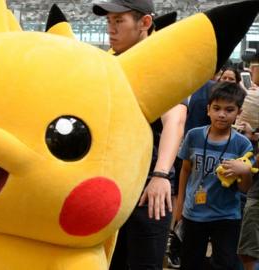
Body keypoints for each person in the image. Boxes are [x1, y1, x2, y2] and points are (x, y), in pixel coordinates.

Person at [93, 1, 188, 269]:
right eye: (109, 21)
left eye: (119, 21)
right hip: (106, 188)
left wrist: (160, 175)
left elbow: (175, 120)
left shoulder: (162, 66)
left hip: (147, 193)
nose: (111, 29)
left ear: (145, 23)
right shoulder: (107, 64)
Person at [175, 81, 254, 270]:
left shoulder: (242, 145)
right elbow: (185, 170)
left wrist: (245, 171)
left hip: (226, 216)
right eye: (216, 108)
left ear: (238, 113)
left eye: (229, 110)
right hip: (194, 213)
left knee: (225, 264)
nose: (222, 114)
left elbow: (244, 188)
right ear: (208, 109)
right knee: (190, 262)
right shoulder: (193, 136)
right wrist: (179, 207)